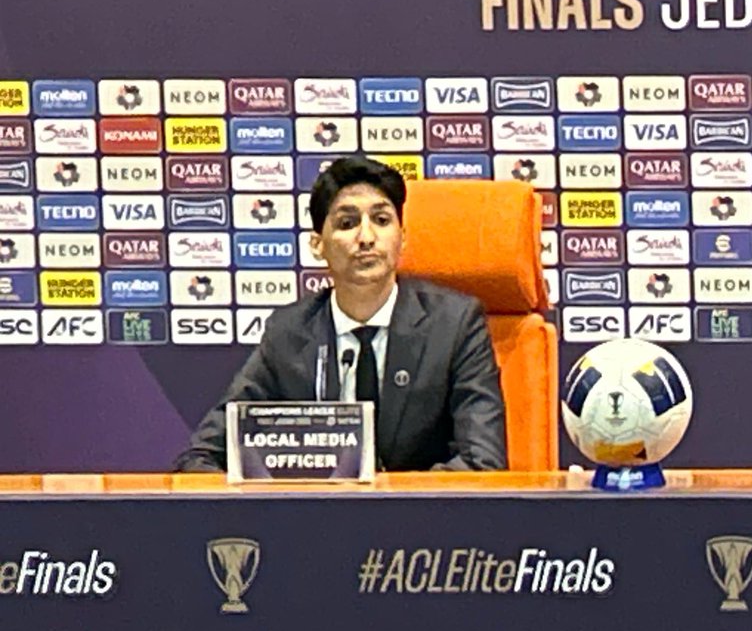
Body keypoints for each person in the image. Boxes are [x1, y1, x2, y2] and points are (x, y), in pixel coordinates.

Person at [174, 156, 508, 472]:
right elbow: (202, 456)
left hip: (421, 514)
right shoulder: (289, 333)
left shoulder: (454, 325)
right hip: (319, 513)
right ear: (317, 244)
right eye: (347, 223)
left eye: (381, 221)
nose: (366, 238)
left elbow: (482, 461)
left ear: (402, 237)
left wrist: (392, 500)